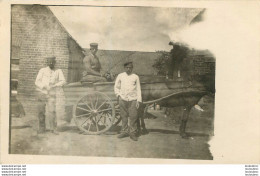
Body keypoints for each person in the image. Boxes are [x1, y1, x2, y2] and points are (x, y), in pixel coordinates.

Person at [35, 56, 66, 135]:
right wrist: (44, 86)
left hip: (51, 94)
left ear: (55, 62)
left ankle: (53, 129)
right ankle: (42, 128)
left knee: (52, 111)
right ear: (47, 62)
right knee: (41, 111)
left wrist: (55, 85)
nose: (51, 63)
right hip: (41, 93)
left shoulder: (58, 71)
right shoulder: (42, 70)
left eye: (52, 62)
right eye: (49, 62)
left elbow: (63, 81)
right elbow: (37, 82)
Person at [114, 61, 142, 141]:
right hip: (123, 99)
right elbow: (116, 87)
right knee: (124, 116)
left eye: (130, 67)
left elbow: (138, 89)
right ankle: (124, 131)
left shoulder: (135, 77)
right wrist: (118, 95)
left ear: (132, 68)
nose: (129, 69)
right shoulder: (120, 76)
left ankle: (132, 133)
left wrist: (138, 100)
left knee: (133, 116)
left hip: (133, 99)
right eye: (127, 67)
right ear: (124, 68)